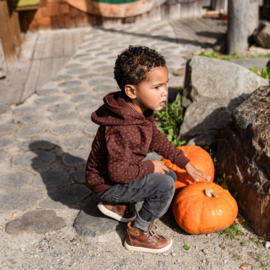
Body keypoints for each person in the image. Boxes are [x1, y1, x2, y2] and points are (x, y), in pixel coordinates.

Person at [85, 46, 210, 253]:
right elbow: (118, 172)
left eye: (165, 85)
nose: (164, 92)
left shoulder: (137, 109)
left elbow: (156, 139)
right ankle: (138, 233)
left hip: (113, 175)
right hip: (107, 183)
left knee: (168, 175)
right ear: (131, 91)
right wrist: (150, 166)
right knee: (165, 185)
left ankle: (117, 205)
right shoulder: (122, 129)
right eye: (156, 87)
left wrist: (184, 162)